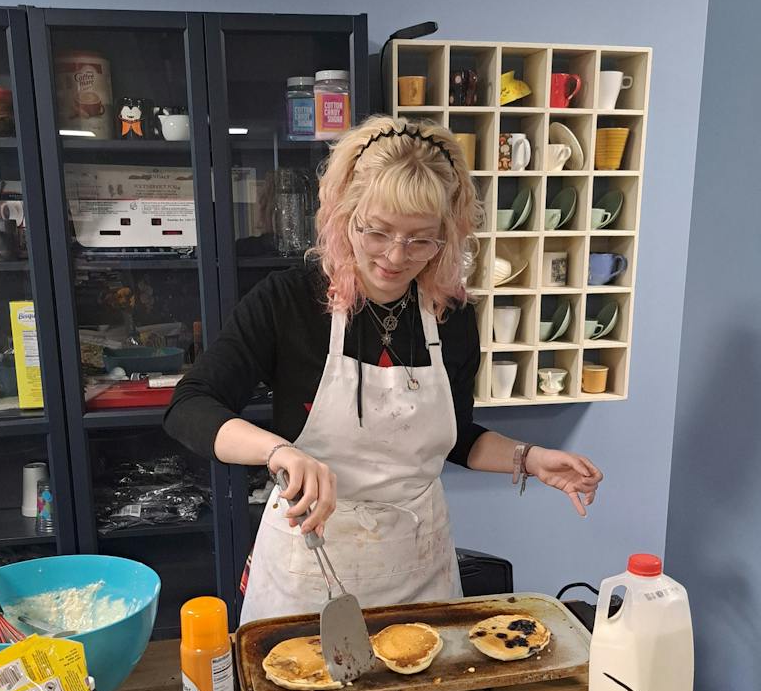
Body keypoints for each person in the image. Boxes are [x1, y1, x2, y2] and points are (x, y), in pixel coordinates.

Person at [164, 115, 602, 623]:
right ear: (344, 214)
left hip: (419, 569)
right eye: (378, 231)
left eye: (421, 240)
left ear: (449, 236)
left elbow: (457, 437)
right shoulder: (288, 303)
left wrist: (529, 457)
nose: (396, 257)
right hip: (310, 570)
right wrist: (278, 450)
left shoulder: (450, 314)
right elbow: (190, 404)